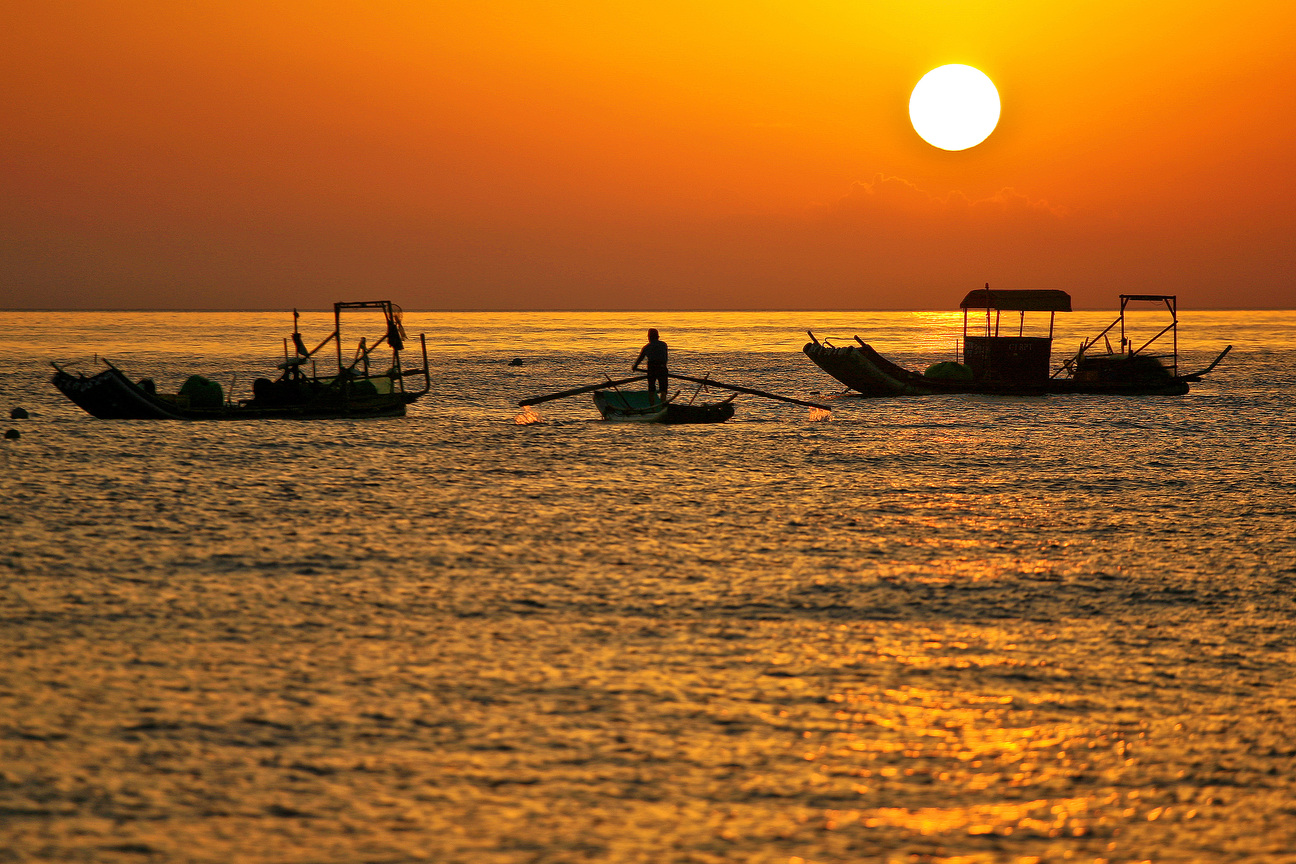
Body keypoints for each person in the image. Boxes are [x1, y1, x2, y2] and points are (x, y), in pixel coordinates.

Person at [632, 328, 669, 401]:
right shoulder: (664, 345)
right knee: (663, 389)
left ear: (649, 337)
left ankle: (652, 406)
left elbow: (640, 358)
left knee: (651, 389)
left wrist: (635, 366)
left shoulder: (646, 347)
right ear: (658, 337)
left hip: (652, 369)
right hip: (662, 367)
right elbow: (665, 358)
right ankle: (663, 404)